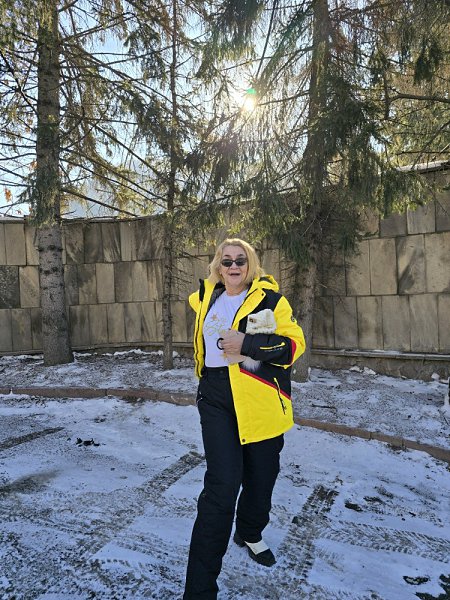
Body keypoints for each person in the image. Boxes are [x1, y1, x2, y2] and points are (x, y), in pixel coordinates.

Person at [183, 238, 306, 599]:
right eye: (226, 261)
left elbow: (294, 346)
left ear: (251, 264)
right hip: (216, 397)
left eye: (240, 260)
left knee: (261, 477)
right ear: (218, 266)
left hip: (261, 398)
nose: (233, 266)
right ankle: (199, 591)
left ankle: (250, 532)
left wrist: (248, 345)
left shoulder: (272, 301)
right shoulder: (205, 298)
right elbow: (197, 312)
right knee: (221, 488)